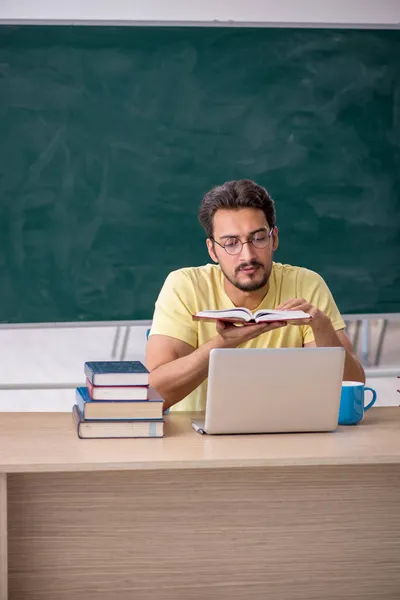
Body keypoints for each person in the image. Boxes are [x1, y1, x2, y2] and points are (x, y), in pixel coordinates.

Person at [146, 179, 365, 412]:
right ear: (212, 250)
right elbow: (153, 395)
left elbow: (353, 385)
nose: (247, 255)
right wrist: (221, 345)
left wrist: (322, 328)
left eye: (259, 238)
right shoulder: (185, 286)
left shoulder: (306, 284)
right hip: (198, 441)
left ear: (274, 239)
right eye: (231, 243)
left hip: (292, 435)